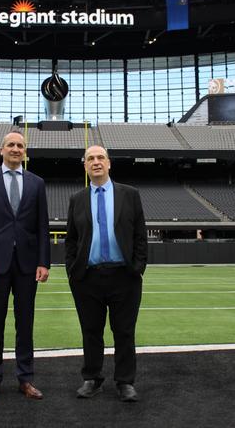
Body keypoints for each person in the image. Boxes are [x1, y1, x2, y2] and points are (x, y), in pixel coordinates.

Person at [0, 131, 51, 401]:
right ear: (1, 150)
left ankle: (25, 379)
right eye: (11, 145)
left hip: (27, 265)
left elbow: (42, 226)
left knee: (25, 324)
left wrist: (44, 262)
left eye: (20, 145)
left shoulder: (37, 183)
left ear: (25, 151)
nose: (16, 149)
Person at [65, 145, 148, 402]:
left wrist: (137, 268)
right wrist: (73, 271)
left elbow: (140, 236)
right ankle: (92, 378)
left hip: (124, 275)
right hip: (88, 277)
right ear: (85, 165)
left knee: (124, 331)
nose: (96, 162)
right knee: (91, 330)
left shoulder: (130, 194)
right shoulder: (77, 199)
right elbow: (71, 240)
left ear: (109, 163)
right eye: (90, 158)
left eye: (101, 158)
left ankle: (125, 381)